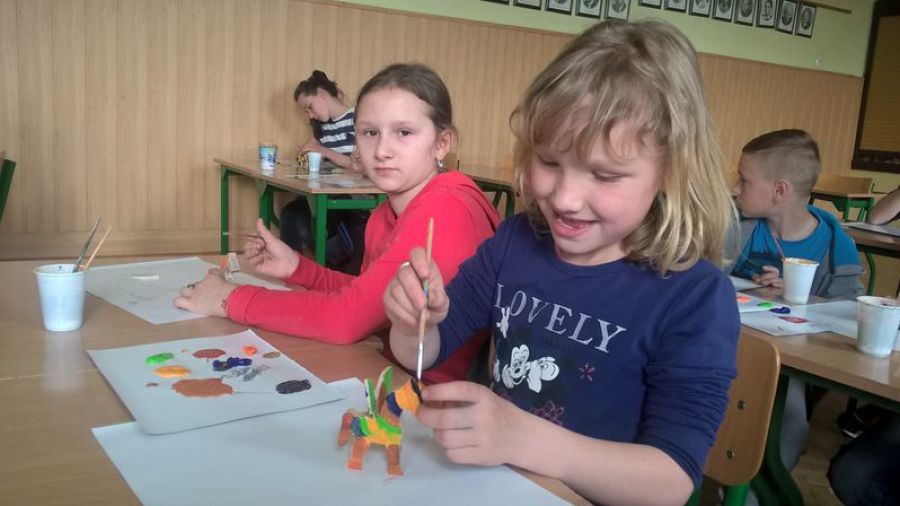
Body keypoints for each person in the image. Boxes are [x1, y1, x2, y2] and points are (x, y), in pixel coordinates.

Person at [384, 20, 740, 505]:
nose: (566, 198)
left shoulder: (694, 296)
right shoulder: (515, 241)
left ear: (670, 173)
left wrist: (520, 438)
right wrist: (411, 324)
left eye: (605, 175)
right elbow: (422, 354)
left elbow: (671, 481)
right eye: (549, 162)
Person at [175, 63, 500, 384]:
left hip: (425, 397)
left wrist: (229, 299)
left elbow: (347, 319)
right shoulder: (384, 214)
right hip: (384, 368)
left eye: (404, 132)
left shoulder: (445, 208)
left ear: (442, 143)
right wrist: (299, 269)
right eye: (370, 132)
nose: (382, 150)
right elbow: (368, 299)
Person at [728, 129, 864, 505]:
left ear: (779, 190)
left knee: (787, 423)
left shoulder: (835, 245)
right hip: (726, 346)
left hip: (785, 363)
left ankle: (751, 493)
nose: (735, 188)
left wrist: (799, 296)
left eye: (744, 179)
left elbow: (851, 313)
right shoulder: (736, 225)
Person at [280, 70, 366, 272]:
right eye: (306, 111)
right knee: (290, 213)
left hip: (354, 196)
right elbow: (312, 152)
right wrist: (306, 154)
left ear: (322, 94)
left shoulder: (359, 120)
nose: (311, 115)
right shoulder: (322, 128)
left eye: (310, 107)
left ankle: (329, 268)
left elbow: (360, 167)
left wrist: (324, 151)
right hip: (328, 192)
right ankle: (288, 268)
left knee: (305, 221)